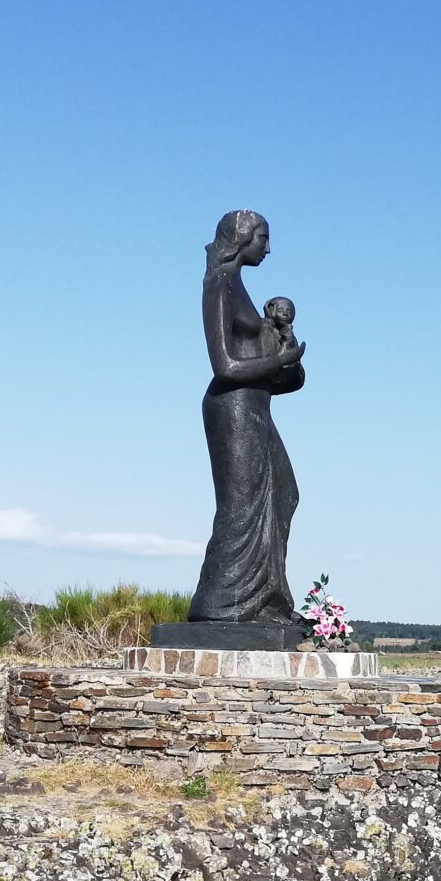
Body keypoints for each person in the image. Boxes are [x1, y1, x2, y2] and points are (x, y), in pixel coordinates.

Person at [188, 210, 308, 628]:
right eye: (263, 237)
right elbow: (224, 366)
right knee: (242, 508)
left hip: (256, 407)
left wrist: (285, 356)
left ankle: (267, 602)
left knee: (284, 496)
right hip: (232, 409)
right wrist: (277, 359)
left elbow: (279, 381)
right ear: (242, 239)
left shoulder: (242, 289)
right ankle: (219, 608)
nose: (269, 247)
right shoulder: (219, 287)